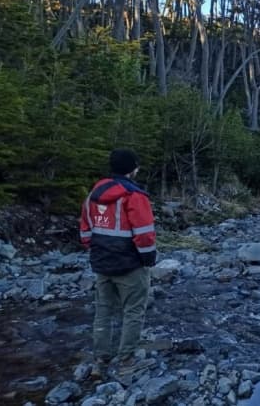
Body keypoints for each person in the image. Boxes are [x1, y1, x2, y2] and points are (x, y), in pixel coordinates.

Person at [79, 148, 156, 374]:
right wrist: (148, 259)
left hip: (102, 263)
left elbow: (85, 232)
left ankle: (100, 360)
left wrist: (98, 251)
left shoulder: (93, 194)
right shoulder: (135, 196)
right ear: (132, 169)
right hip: (130, 264)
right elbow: (144, 233)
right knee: (133, 311)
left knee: (103, 311)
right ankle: (127, 362)